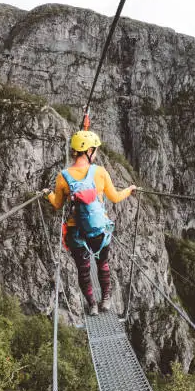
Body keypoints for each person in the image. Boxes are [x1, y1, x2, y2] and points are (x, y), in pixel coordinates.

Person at [43, 130, 136, 316]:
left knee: (84, 272)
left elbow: (57, 204)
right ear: (89, 151)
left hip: (76, 233)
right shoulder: (100, 172)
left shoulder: (63, 176)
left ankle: (92, 304)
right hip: (99, 231)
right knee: (103, 264)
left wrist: (47, 194)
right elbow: (115, 198)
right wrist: (130, 189)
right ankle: (106, 300)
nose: (97, 154)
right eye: (96, 150)